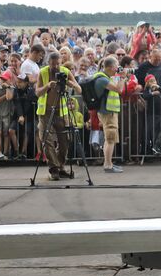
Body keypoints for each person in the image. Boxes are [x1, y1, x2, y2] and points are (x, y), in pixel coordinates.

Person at [34, 52, 82, 180]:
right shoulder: (43, 72)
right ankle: (53, 168)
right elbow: (38, 93)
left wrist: (71, 84)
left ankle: (60, 166)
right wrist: (47, 86)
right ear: (47, 63)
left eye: (57, 64)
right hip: (46, 113)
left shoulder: (65, 71)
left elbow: (79, 89)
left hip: (62, 112)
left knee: (65, 140)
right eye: (52, 64)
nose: (55, 67)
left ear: (61, 62)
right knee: (47, 140)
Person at [93, 56, 125, 173]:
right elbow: (118, 89)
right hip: (107, 112)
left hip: (109, 111)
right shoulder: (102, 79)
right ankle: (107, 165)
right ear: (111, 67)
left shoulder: (105, 77)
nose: (118, 69)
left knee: (110, 139)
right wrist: (122, 77)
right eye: (116, 66)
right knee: (110, 138)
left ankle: (109, 162)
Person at [141, 74, 161, 156]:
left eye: (154, 80)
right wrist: (153, 93)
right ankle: (154, 149)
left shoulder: (158, 88)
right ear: (147, 83)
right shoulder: (147, 89)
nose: (153, 82)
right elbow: (145, 96)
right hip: (151, 114)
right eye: (151, 81)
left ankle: (157, 145)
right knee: (153, 132)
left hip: (160, 113)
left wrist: (159, 88)